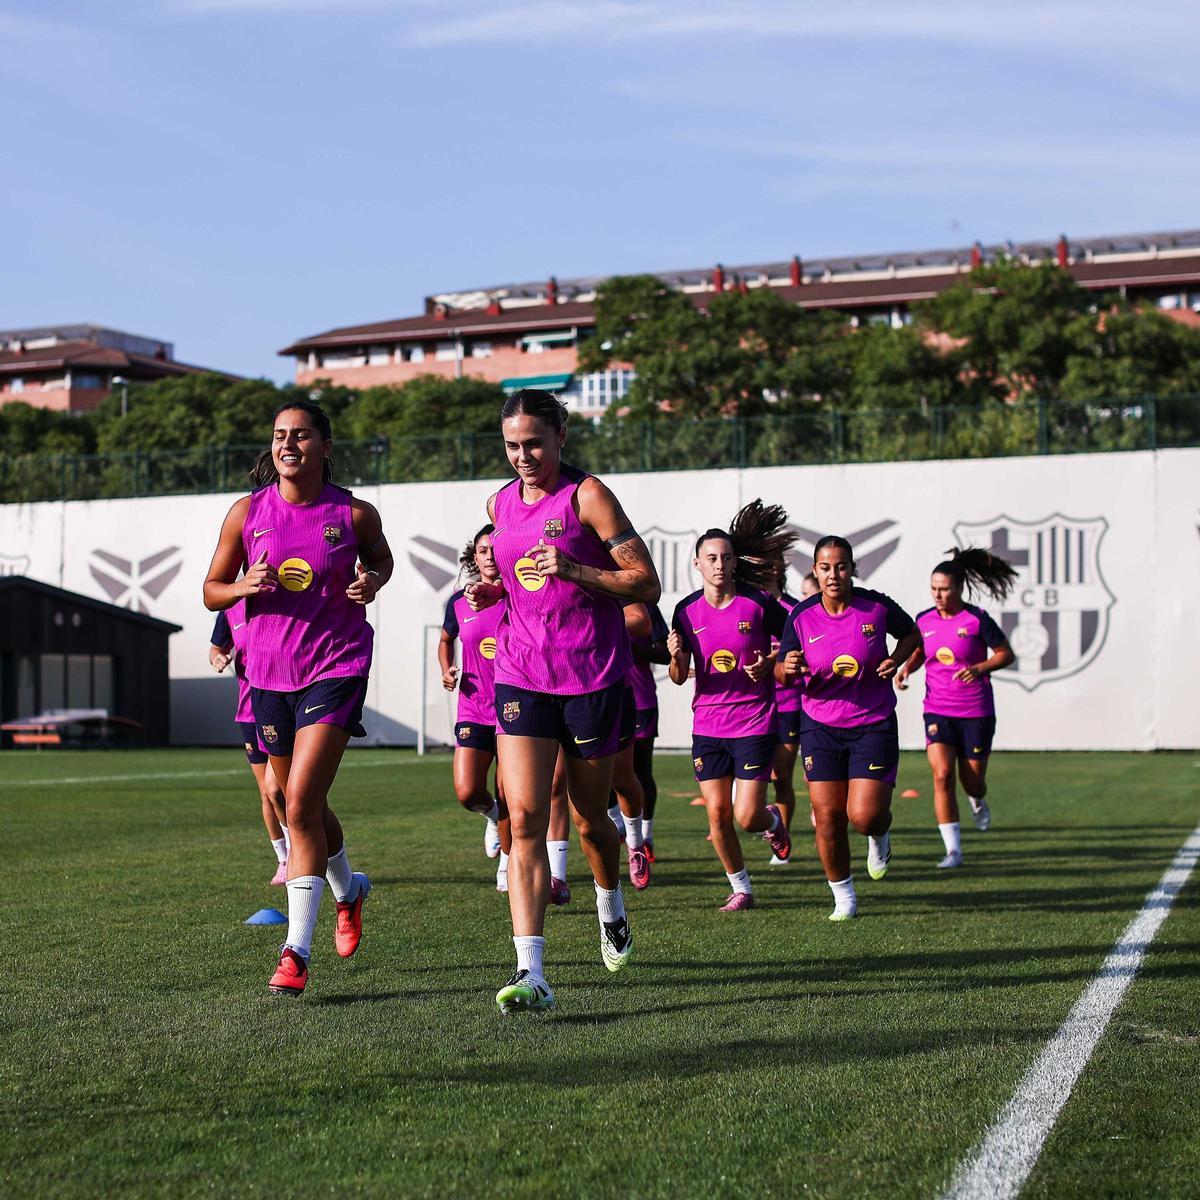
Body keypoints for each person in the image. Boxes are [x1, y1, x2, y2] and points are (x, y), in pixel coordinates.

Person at [468, 389, 661, 1015]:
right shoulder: (499, 503)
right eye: (512, 446)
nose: (523, 456)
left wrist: (577, 569)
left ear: (561, 436)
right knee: (523, 817)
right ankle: (532, 971)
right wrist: (494, 591)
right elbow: (520, 579)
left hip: (590, 678)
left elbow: (646, 583)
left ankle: (610, 901)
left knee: (588, 820)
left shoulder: (589, 496)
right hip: (520, 672)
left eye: (534, 444)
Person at [203, 400, 393, 997]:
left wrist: (371, 580)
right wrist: (242, 585)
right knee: (292, 802)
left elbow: (381, 559)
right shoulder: (247, 512)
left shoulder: (353, 513)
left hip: (336, 665)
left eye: (302, 435)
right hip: (268, 675)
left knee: (303, 801)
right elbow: (211, 591)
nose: (288, 444)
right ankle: (348, 891)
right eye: (280, 435)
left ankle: (295, 953)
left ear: (325, 447)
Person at [777, 535, 921, 920]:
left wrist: (896, 658)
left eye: (841, 567)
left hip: (872, 723)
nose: (833, 575)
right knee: (827, 818)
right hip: (819, 726)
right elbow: (782, 670)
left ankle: (880, 834)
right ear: (815, 570)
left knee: (865, 816)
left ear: (853, 569)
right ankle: (843, 896)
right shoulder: (801, 615)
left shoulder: (876, 607)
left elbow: (912, 634)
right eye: (825, 568)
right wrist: (786, 668)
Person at [668, 502, 795, 911]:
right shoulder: (686, 612)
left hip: (754, 721)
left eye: (725, 557)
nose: (719, 564)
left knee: (747, 816)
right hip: (708, 725)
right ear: (697, 564)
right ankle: (741, 888)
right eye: (711, 558)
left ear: (735, 562)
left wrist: (771, 662)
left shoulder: (757, 603)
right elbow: (678, 675)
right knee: (718, 815)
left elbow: (794, 638)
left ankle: (771, 821)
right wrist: (675, 657)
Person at [896, 547, 1016, 868]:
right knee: (942, 776)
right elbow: (920, 652)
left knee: (972, 781)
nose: (938, 595)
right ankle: (953, 851)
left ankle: (977, 798)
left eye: (945, 589)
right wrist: (907, 669)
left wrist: (979, 668)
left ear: (959, 588)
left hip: (976, 711)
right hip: (937, 709)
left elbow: (1006, 653)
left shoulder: (977, 620)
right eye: (934, 588)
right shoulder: (924, 620)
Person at [439, 525, 511, 889]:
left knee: (510, 793)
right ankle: (493, 817)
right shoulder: (457, 602)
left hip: (515, 706)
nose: (490, 556)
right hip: (473, 707)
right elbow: (445, 639)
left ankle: (508, 865)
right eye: (483, 550)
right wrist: (447, 669)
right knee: (468, 792)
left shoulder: (518, 594)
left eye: (496, 549)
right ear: (475, 557)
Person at [209, 601, 289, 885]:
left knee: (279, 788)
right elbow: (216, 648)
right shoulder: (229, 607)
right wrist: (218, 658)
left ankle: (302, 850)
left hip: (280, 706)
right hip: (249, 712)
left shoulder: (279, 600)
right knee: (267, 793)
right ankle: (284, 859)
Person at [625, 603, 670, 861]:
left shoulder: (646, 607)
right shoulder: (596, 597)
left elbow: (665, 654)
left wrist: (632, 647)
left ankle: (646, 836)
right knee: (606, 773)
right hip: (602, 701)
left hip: (641, 701)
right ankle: (620, 827)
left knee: (641, 770)